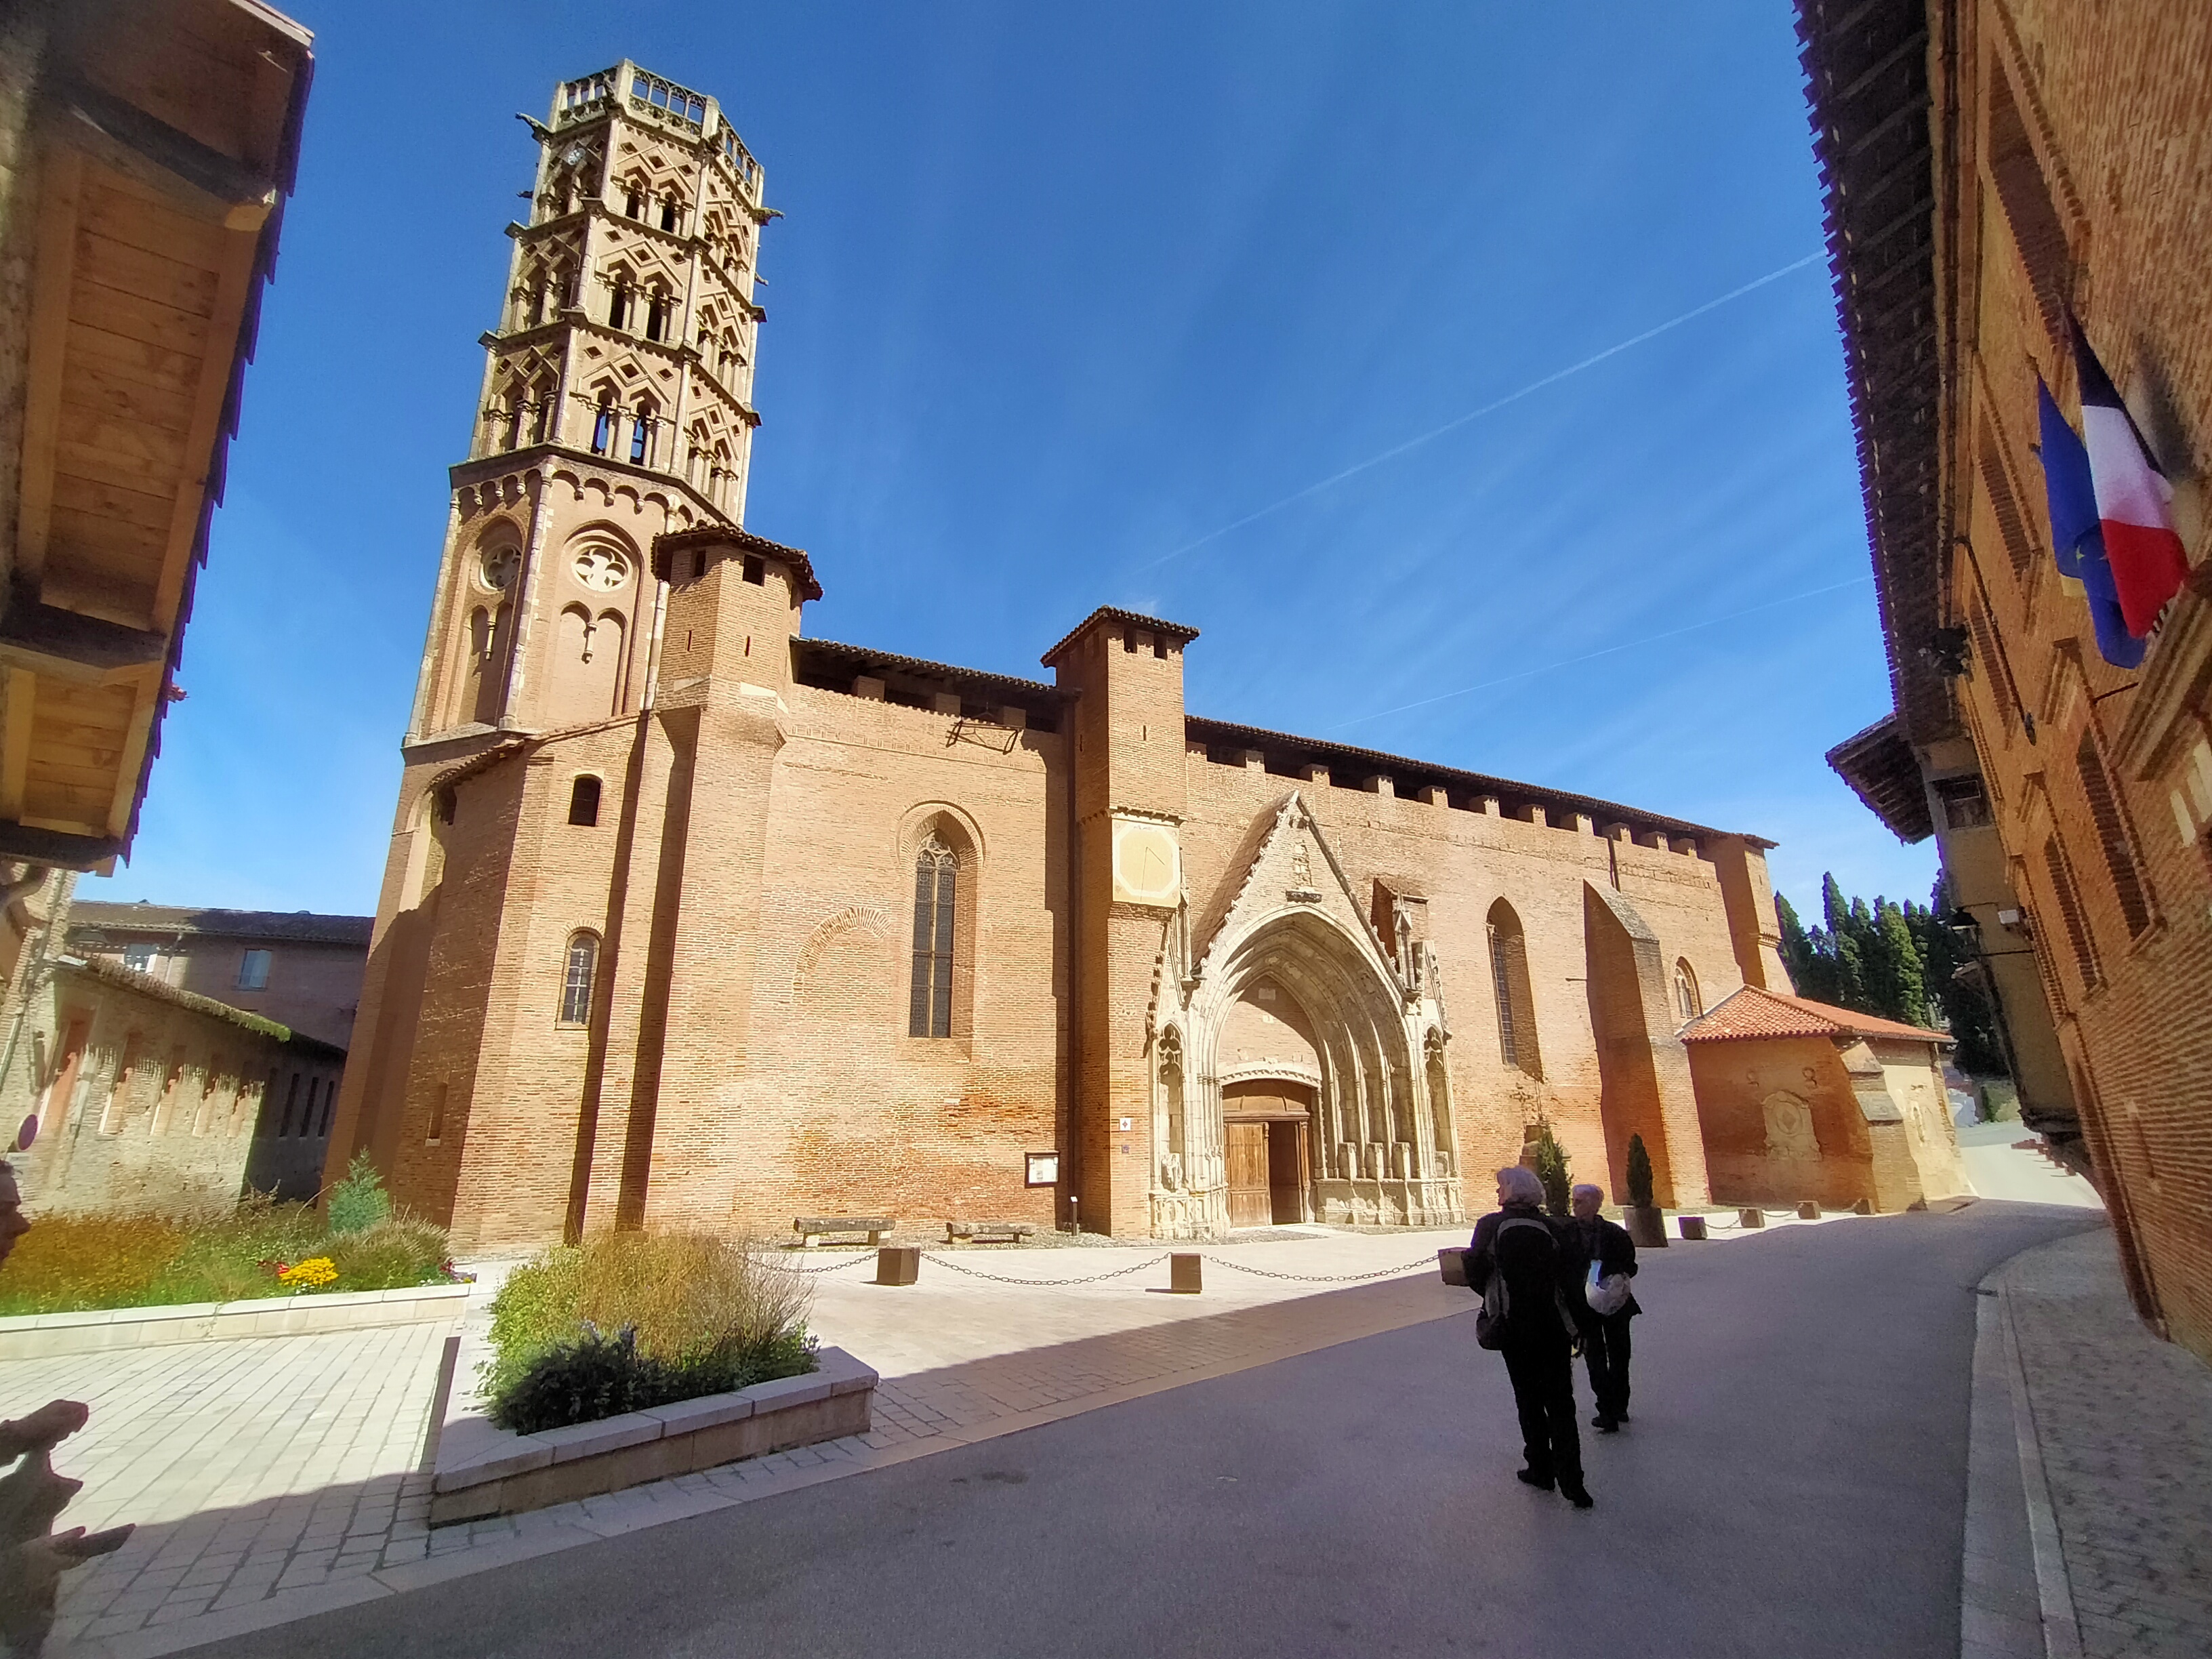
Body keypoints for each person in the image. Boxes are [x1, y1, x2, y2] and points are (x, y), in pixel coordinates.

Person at [1467, 1166, 1591, 1509]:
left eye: (1501, 1187)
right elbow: (1573, 1281)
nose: (1497, 1193)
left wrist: (1495, 1296)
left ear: (1512, 1192)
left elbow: (1474, 1273)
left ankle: (1540, 1467)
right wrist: (1581, 1326)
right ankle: (1574, 1484)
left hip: (1514, 1325)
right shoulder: (1555, 1227)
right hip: (1553, 1324)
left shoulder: (1490, 1225)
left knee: (1528, 1398)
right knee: (1562, 1403)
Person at [1561, 1182, 1640, 1432]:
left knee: (1620, 1354)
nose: (1575, 1206)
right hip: (1583, 1306)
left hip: (1615, 1303)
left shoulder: (1615, 1233)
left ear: (1595, 1204)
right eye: (1574, 1201)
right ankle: (1606, 1408)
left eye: (1580, 1201)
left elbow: (1631, 1266)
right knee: (1594, 1356)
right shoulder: (1565, 1233)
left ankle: (1619, 1404)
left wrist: (1611, 1281)